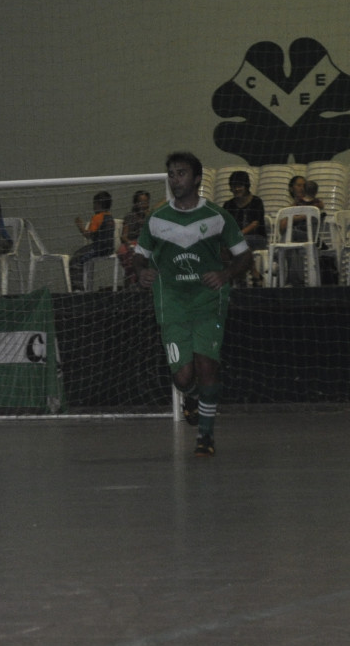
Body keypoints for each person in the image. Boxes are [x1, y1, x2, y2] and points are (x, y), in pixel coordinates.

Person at [132, 152, 253, 457]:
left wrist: (225, 274)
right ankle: (193, 396)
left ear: (197, 178)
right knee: (182, 377)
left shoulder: (216, 216)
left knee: (207, 365)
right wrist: (141, 272)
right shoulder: (157, 218)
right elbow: (139, 257)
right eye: (172, 174)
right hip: (171, 301)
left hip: (207, 300)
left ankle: (206, 436)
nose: (176, 180)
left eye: (182, 173)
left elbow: (244, 256)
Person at [70, 190, 115, 291]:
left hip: (98, 248)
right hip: (109, 248)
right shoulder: (110, 217)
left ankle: (78, 289)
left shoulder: (97, 217)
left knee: (76, 259)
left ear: (98, 204)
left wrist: (80, 226)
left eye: (94, 204)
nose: (93, 206)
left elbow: (88, 235)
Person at [116, 189, 152, 286]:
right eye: (141, 202)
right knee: (129, 254)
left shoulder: (150, 216)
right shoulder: (130, 216)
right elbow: (124, 236)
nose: (143, 205)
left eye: (146, 202)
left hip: (145, 244)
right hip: (131, 243)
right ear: (135, 203)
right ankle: (131, 282)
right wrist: (131, 244)